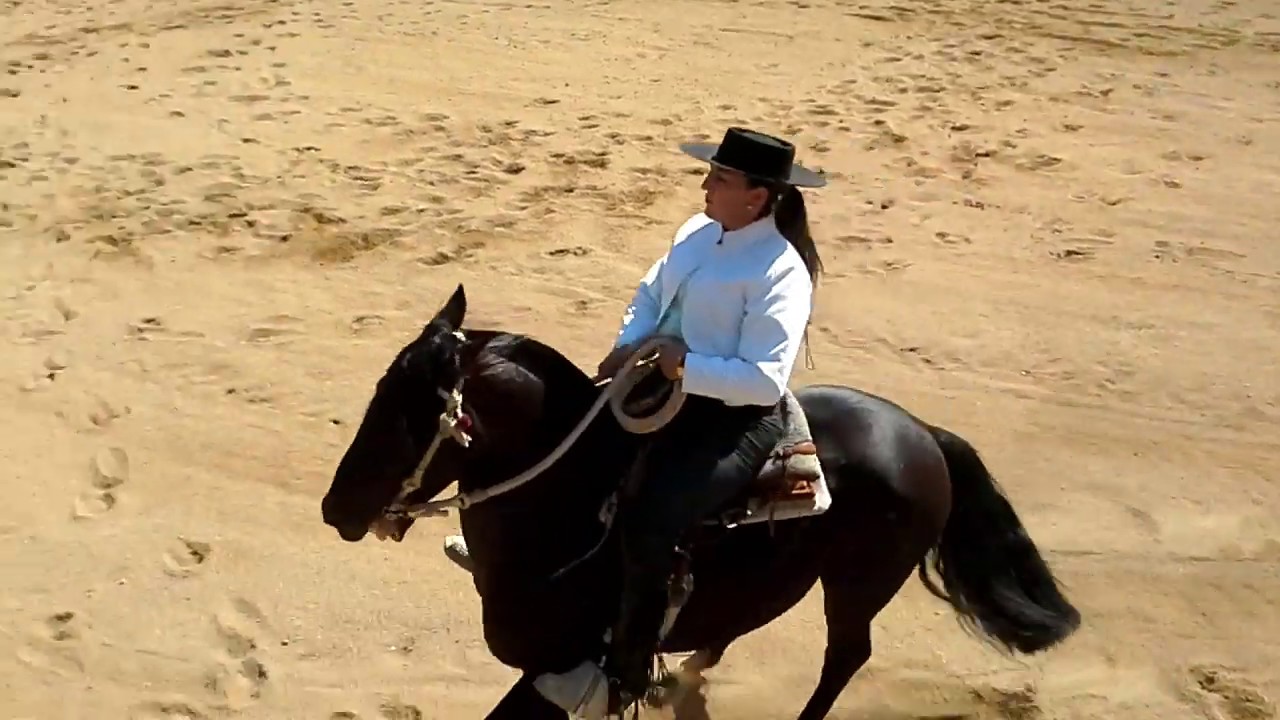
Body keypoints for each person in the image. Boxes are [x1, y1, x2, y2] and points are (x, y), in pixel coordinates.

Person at [443, 126, 825, 712]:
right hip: (650, 384)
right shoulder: (697, 232)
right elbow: (650, 296)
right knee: (564, 454)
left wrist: (684, 366)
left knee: (651, 519)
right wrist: (631, 344)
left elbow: (764, 379)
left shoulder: (781, 272)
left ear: (757, 197)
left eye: (719, 178)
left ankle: (624, 670)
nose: (705, 184)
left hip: (732, 419)